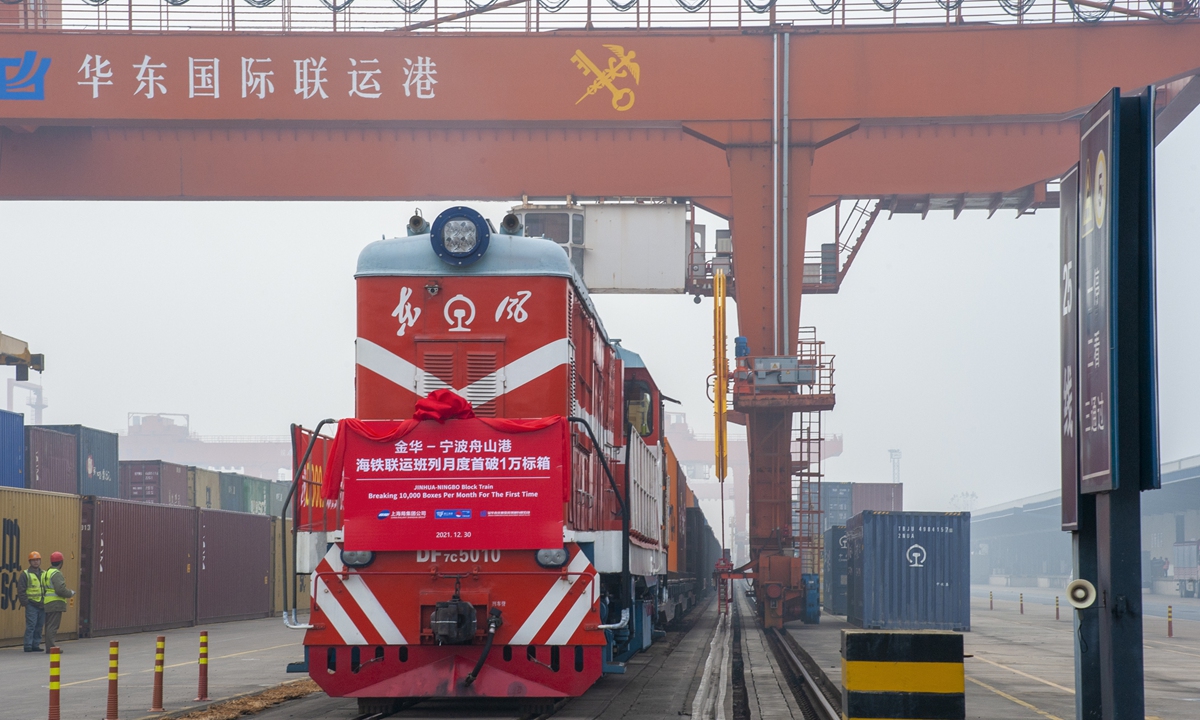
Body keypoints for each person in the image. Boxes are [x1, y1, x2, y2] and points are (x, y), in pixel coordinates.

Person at [41, 551, 75, 654]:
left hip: (47, 602)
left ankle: (49, 646)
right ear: (61, 562)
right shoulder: (56, 574)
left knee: (48, 626)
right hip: (55, 603)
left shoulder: (46, 573)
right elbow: (60, 590)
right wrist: (71, 593)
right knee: (53, 626)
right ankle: (51, 647)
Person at [16, 551, 45, 653]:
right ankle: (28, 645)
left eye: (37, 560)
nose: (36, 562)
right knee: (31, 625)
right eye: (33, 560)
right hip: (31, 604)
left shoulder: (44, 574)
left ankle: (35, 645)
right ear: (30, 562)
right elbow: (21, 589)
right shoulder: (25, 574)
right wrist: (25, 603)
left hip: (42, 604)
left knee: (39, 626)